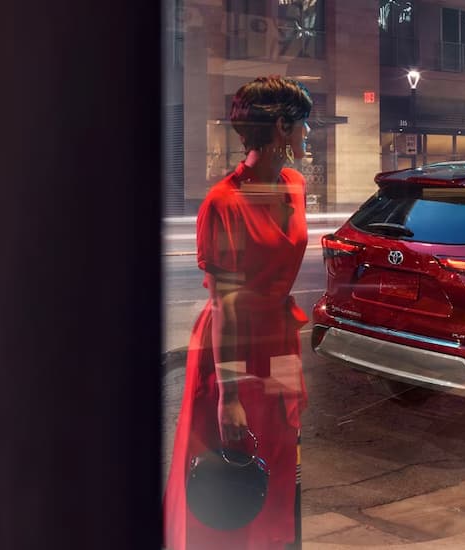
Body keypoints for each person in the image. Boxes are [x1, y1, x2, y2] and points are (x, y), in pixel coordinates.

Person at [164, 76, 312, 550]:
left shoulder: (293, 185)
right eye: (303, 124)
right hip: (233, 347)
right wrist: (229, 396)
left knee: (280, 449)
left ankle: (271, 541)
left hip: (279, 341)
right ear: (283, 127)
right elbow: (226, 307)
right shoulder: (223, 202)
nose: (308, 134)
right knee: (230, 463)